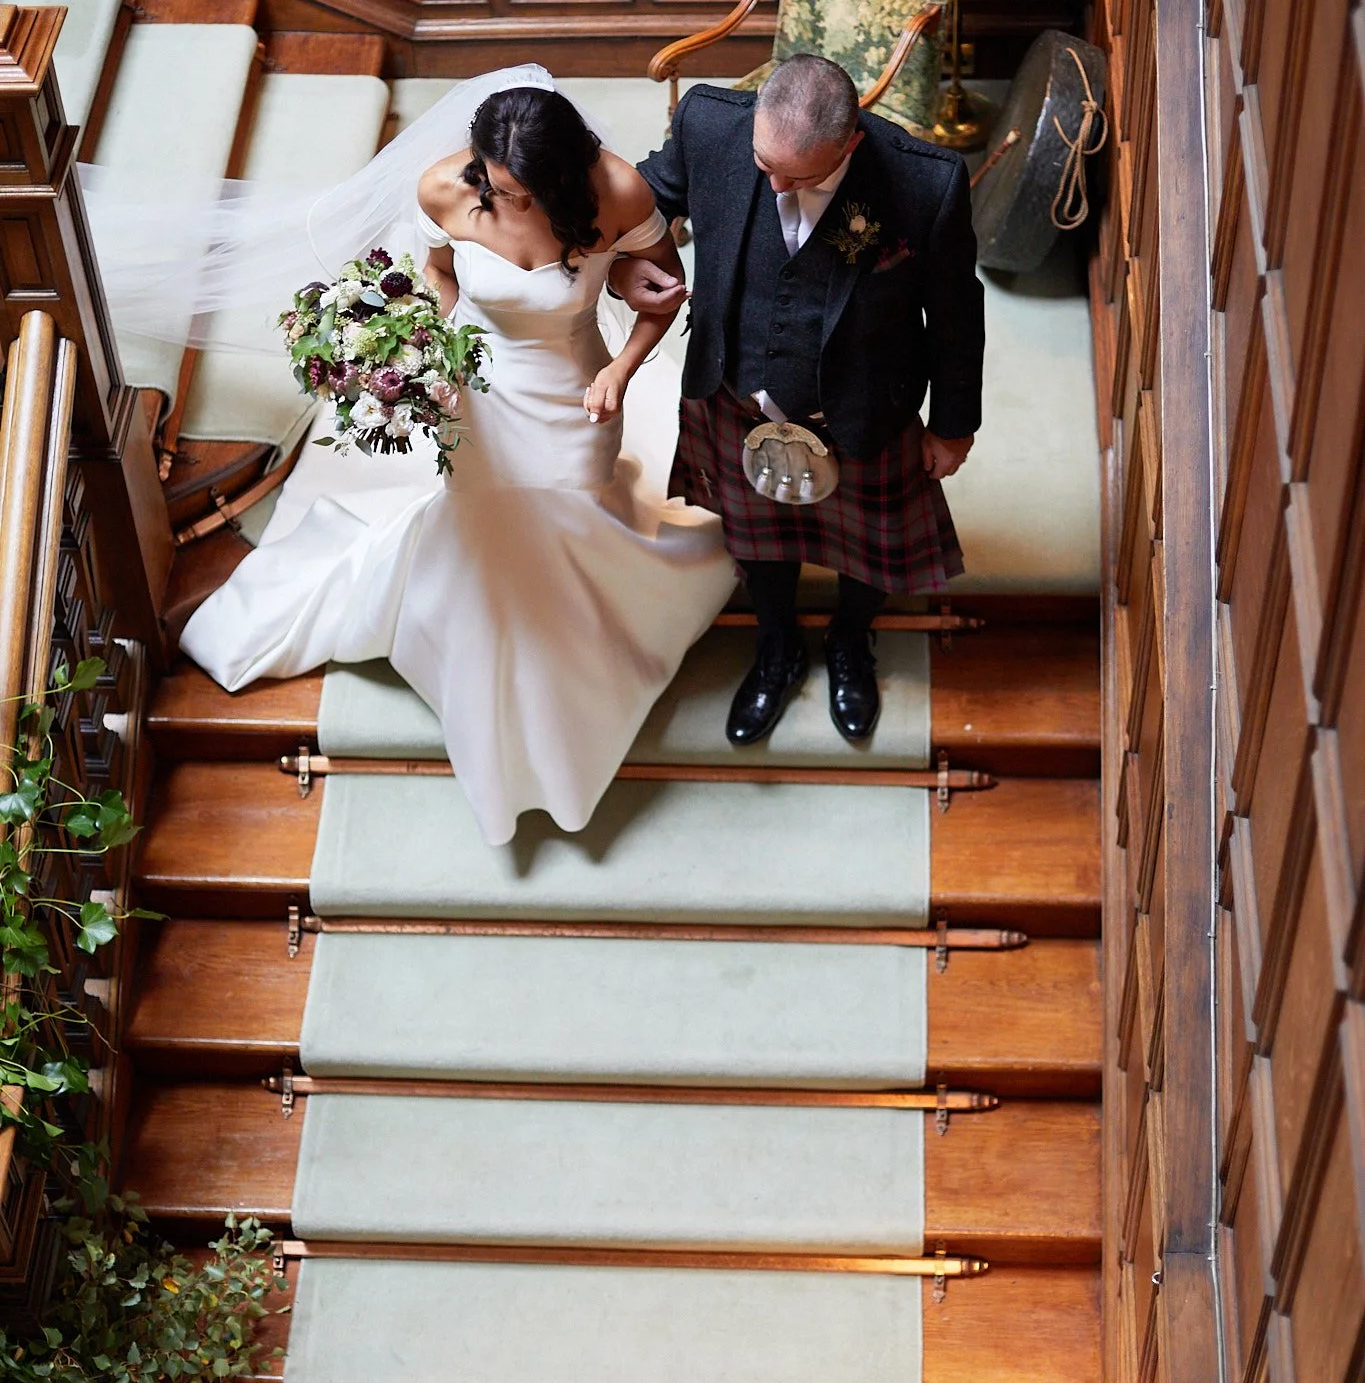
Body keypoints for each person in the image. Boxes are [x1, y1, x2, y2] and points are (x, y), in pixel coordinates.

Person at [178, 76, 735, 847]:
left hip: (573, 390)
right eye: (491, 182)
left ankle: (590, 645)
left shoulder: (617, 191)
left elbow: (661, 295)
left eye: (517, 189)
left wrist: (619, 372)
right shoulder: (444, 186)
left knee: (574, 508)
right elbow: (438, 275)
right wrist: (426, 351)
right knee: (485, 524)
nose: (498, 198)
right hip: (475, 389)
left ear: (564, 177)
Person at [611, 54, 983, 747]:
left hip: (865, 408)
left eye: (800, 175)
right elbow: (647, 197)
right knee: (757, 544)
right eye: (765, 165)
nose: (777, 184)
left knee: (869, 554)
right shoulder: (709, 124)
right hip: (732, 394)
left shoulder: (923, 181)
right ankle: (775, 646)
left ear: (850, 143)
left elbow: (958, 314)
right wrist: (628, 264)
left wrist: (953, 426)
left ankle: (850, 642)